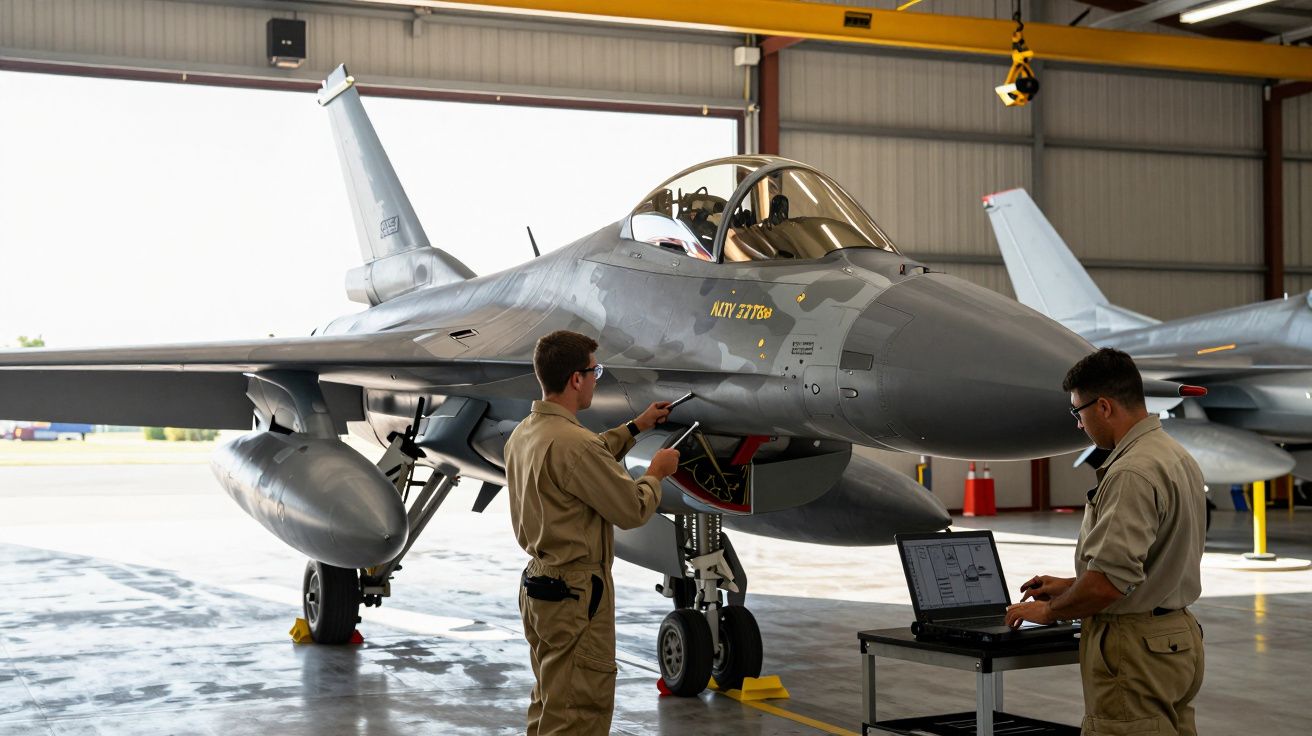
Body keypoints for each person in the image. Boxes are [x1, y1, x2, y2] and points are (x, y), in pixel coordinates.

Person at [1005, 347, 1206, 736]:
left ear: (1104, 407)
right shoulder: (1174, 456)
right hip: (1176, 641)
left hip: (1134, 652)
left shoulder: (1131, 471)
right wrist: (1068, 586)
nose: (1079, 425)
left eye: (1077, 412)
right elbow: (1153, 564)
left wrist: (1049, 612)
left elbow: (1107, 585)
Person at [505, 329, 681, 736]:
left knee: (552, 699)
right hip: (576, 592)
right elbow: (632, 508)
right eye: (594, 370)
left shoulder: (526, 433)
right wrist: (656, 473)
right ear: (576, 379)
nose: (596, 378)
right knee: (578, 710)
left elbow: (583, 459)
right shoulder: (575, 445)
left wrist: (635, 427)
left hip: (540, 588)